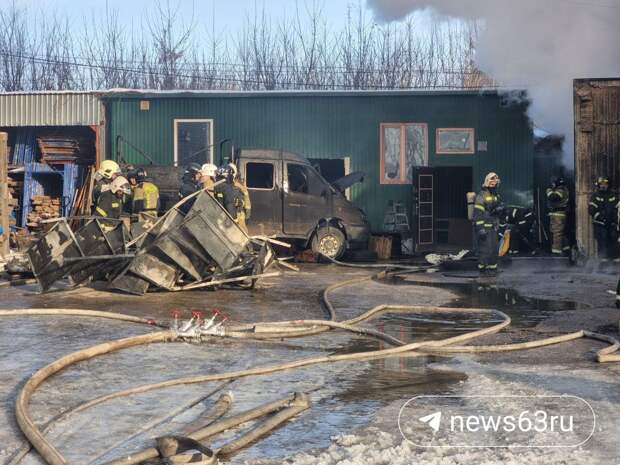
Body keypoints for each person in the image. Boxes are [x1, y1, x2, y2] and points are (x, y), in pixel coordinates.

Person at [473, 172, 503, 276]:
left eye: (496, 182)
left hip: (494, 227)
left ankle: (493, 269)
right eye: (493, 182)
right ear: (488, 182)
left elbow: (497, 208)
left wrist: (500, 209)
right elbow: (478, 213)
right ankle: (483, 270)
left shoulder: (496, 195)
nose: (495, 184)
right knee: (485, 250)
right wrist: (480, 229)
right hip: (484, 228)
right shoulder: (481, 195)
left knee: (494, 250)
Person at [588, 176, 619, 261]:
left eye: (605, 184)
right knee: (602, 240)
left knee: (614, 239)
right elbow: (591, 210)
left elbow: (617, 208)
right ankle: (603, 261)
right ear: (598, 185)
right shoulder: (595, 196)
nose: (603, 186)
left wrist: (614, 219)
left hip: (612, 224)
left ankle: (615, 260)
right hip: (600, 224)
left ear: (608, 185)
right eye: (601, 184)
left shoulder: (614, 196)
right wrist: (601, 217)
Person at [214, 166, 248, 233]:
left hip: (227, 218)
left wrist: (234, 221)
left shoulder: (222, 188)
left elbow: (230, 204)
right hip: (227, 219)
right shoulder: (226, 188)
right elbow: (229, 204)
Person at [546, 176, 570, 256]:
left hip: (558, 215)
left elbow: (553, 197)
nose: (552, 185)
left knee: (557, 233)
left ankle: (556, 252)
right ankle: (566, 249)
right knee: (560, 233)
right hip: (556, 214)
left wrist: (549, 190)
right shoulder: (561, 189)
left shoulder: (561, 190)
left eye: (553, 183)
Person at [228, 163, 251, 232]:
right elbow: (248, 206)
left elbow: (247, 205)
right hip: (237, 216)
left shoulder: (237, 187)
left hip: (236, 216)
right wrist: (247, 218)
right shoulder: (241, 187)